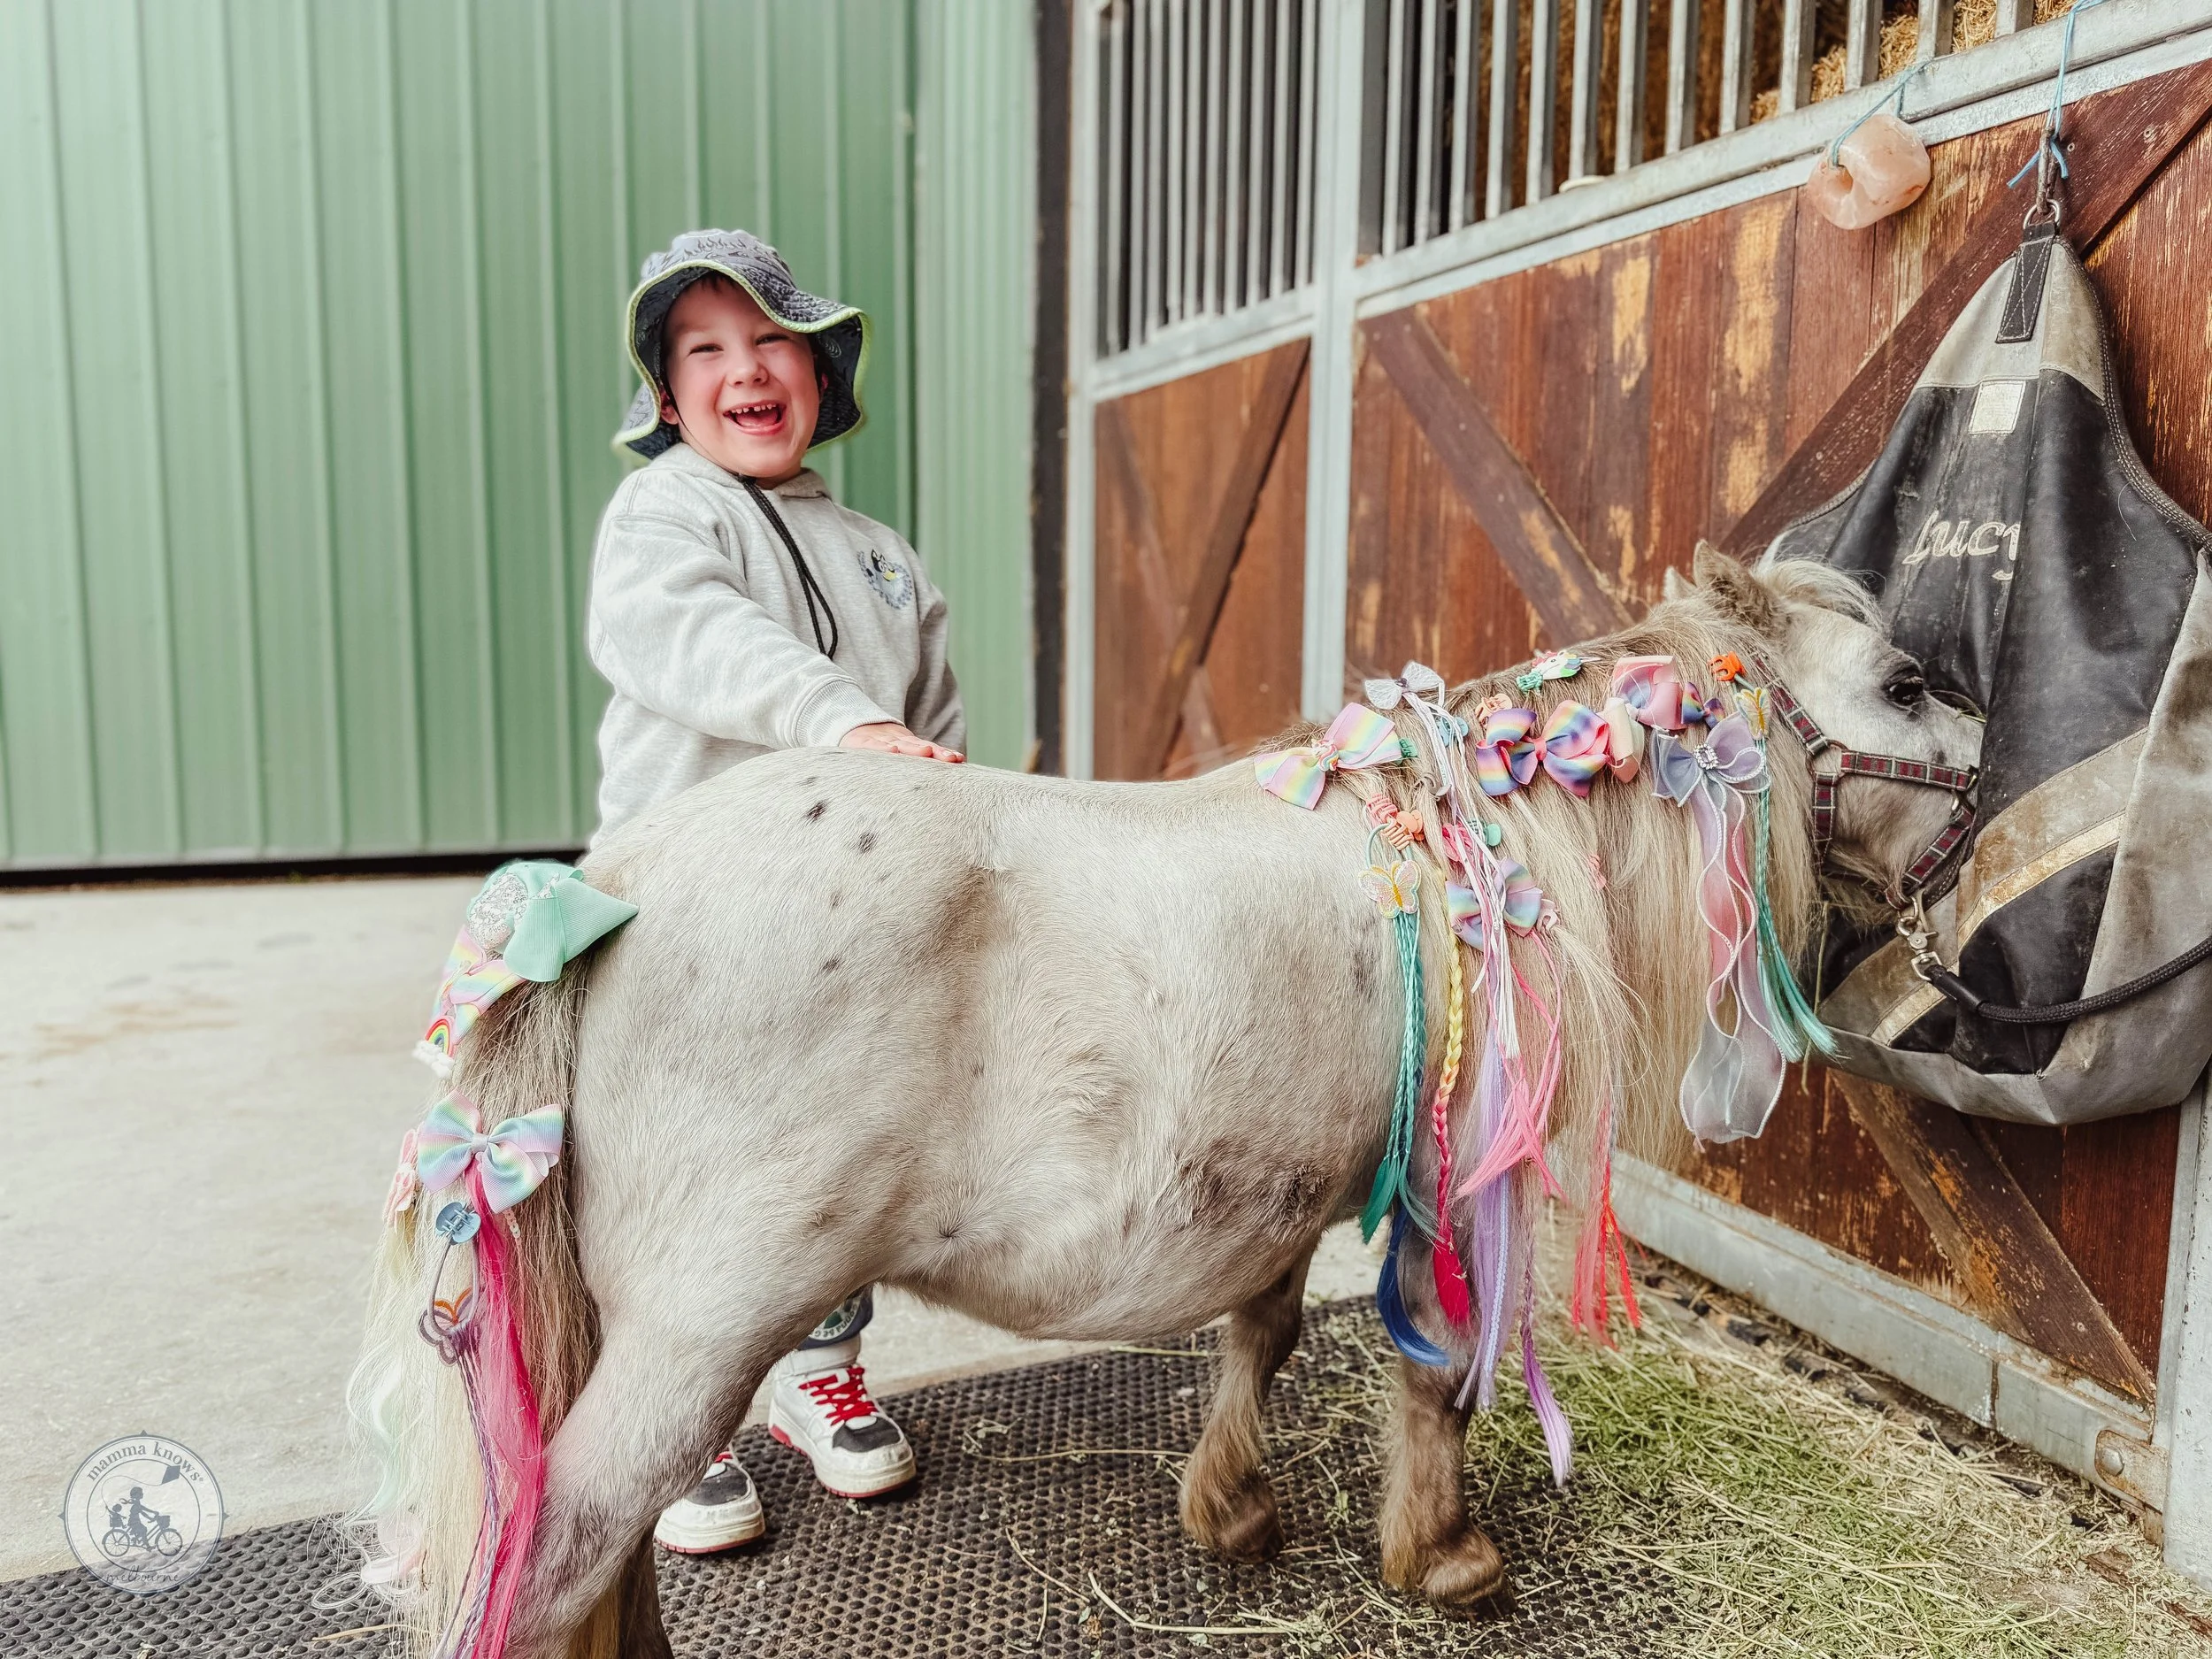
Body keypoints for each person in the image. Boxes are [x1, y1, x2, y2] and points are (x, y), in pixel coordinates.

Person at [589, 230, 964, 1552]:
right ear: (668, 393)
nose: (745, 370)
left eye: (771, 343)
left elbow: (931, 727)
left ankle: (817, 1374)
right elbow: (697, 635)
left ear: (818, 368)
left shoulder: (880, 554)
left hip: (843, 927)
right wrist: (836, 721)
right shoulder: (666, 517)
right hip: (692, 916)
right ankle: (685, 1412)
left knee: (835, 1152)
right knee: (693, 1170)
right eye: (706, 349)